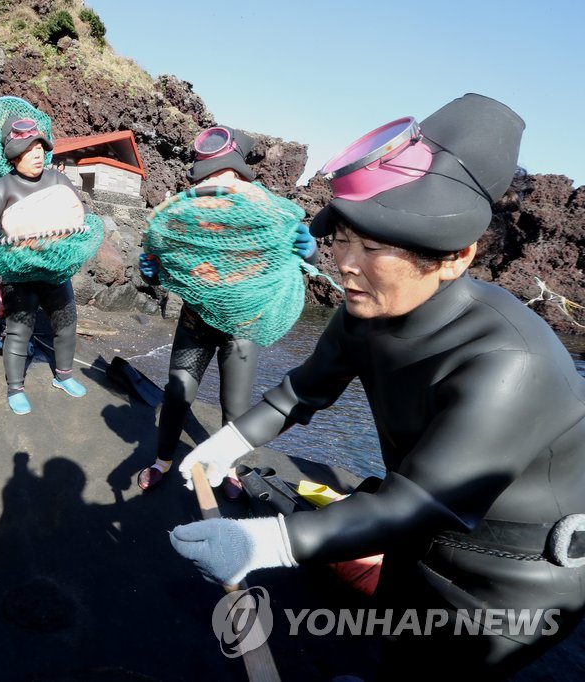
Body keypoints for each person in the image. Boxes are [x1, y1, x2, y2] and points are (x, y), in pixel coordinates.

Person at [168, 94, 585, 677]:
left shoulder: (510, 359)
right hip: (415, 541)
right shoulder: (364, 312)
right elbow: (299, 393)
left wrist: (265, 543)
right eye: (343, 238)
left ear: (456, 256)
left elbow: (416, 501)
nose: (346, 264)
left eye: (376, 246)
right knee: (393, 648)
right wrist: (229, 443)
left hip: (512, 576)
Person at [136, 126, 319, 494]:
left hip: (244, 327)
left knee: (234, 405)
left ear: (240, 173)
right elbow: (167, 263)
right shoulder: (186, 213)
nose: (221, 180)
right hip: (195, 321)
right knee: (177, 394)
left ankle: (230, 468)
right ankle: (162, 460)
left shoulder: (265, 209)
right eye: (213, 174)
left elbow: (291, 259)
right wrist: (153, 273)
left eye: (227, 173)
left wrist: (309, 249)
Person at [0, 116, 88, 415]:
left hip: (55, 267)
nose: (37, 154)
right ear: (13, 154)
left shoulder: (57, 179)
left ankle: (64, 375)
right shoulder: (2, 186)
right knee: (19, 331)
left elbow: (77, 208)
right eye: (29, 149)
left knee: (67, 324)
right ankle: (15, 387)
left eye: (40, 148)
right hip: (19, 271)